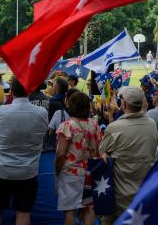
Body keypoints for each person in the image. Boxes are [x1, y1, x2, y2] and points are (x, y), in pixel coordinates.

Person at [0, 77, 48, 225]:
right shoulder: (41, 113)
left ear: (11, 91)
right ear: (30, 90)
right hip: (27, 172)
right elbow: (44, 132)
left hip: (1, 170)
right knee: (23, 212)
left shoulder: (0, 111)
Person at [99, 86, 158, 223]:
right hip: (143, 194)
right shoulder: (151, 124)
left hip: (120, 198)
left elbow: (102, 151)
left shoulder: (114, 127)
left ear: (124, 104)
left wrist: (112, 117)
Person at [55, 92, 102, 225]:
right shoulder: (94, 124)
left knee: (69, 210)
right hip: (90, 173)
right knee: (89, 208)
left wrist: (57, 170)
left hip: (71, 173)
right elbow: (100, 150)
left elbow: (60, 154)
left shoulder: (67, 126)